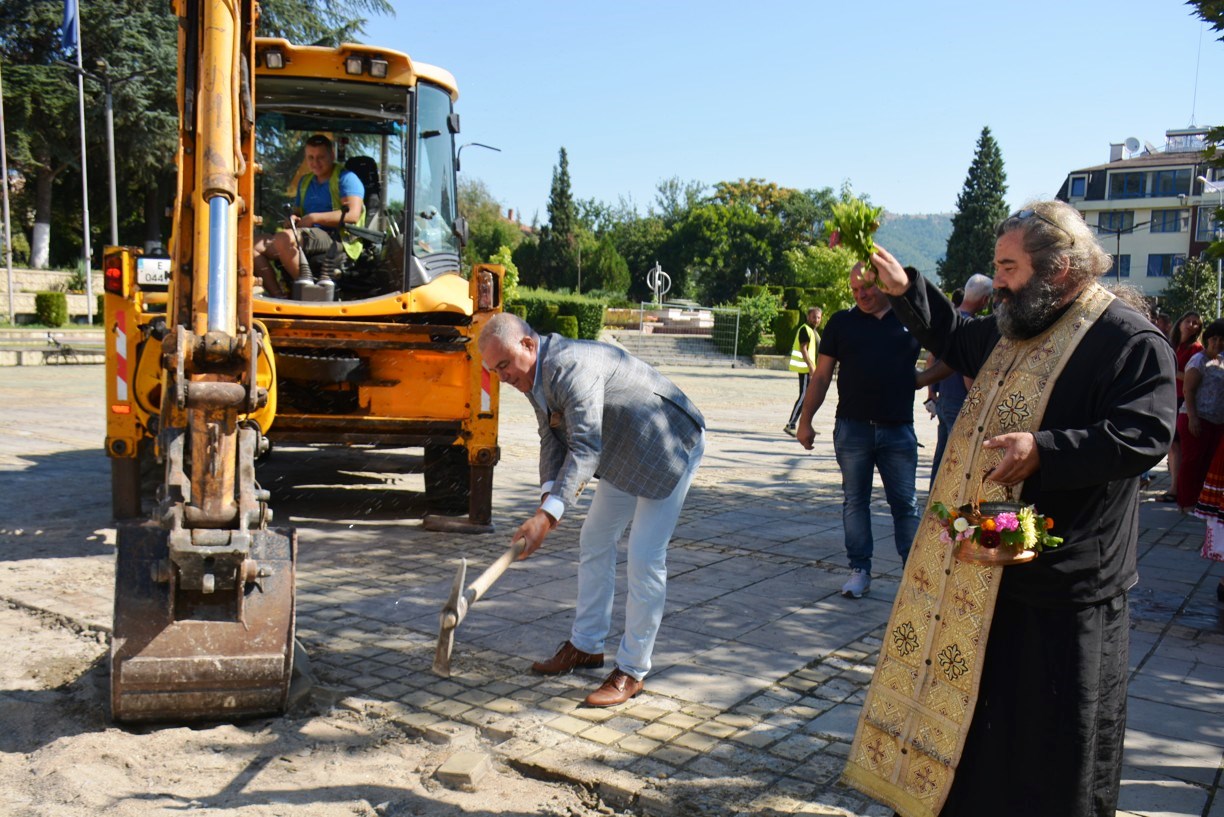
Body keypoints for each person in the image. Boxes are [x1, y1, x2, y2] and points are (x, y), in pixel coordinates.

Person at [842, 201, 1176, 817]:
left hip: (1066, 571)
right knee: (985, 711)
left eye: (1009, 267)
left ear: (1062, 267)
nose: (997, 281)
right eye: (997, 266)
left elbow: (1144, 436)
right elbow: (955, 338)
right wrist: (906, 289)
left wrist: (1044, 451)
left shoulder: (1127, 338)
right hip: (993, 548)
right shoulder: (1019, 323)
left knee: (1048, 729)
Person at [477, 313, 705, 707]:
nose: (502, 377)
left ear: (528, 345)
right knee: (595, 538)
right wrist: (545, 501)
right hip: (622, 451)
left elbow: (584, 447)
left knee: (644, 557)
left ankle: (633, 670)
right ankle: (586, 646)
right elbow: (552, 437)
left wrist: (547, 518)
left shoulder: (570, 366)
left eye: (504, 365)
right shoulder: (532, 375)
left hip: (666, 446)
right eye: (493, 370)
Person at [795, 264, 939, 599]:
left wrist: (919, 381)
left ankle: (914, 574)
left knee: (904, 504)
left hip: (898, 430)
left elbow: (952, 354)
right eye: (854, 290)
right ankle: (859, 570)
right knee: (854, 501)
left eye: (867, 288)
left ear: (884, 286)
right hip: (852, 429)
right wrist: (806, 420)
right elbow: (821, 376)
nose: (861, 295)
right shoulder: (841, 323)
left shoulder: (910, 319)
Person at [254, 134, 365, 297]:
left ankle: (310, 294)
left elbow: (352, 215)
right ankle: (279, 296)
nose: (315, 162)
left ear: (332, 156)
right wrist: (292, 219)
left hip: (336, 237)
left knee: (284, 238)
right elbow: (298, 213)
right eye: (310, 157)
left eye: (321, 157)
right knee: (254, 245)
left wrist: (314, 218)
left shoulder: (346, 179)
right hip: (308, 234)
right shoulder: (305, 181)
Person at [925, 273, 992, 488]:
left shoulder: (949, 322)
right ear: (985, 300)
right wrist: (978, 401)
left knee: (941, 453)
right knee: (958, 455)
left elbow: (931, 359)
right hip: (960, 401)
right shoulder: (970, 327)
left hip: (943, 398)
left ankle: (933, 499)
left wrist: (931, 392)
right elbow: (966, 371)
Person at [1175, 319, 1224, 511]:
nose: (1218, 343)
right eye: (1214, 339)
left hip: (1216, 422)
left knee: (1209, 464)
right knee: (1193, 463)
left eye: (1222, 339)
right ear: (1208, 339)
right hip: (1195, 419)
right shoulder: (1198, 360)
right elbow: (1189, 391)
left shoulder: (1221, 361)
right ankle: (1186, 502)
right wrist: (1193, 419)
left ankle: (1203, 502)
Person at [1160, 311, 1204, 502]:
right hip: (1168, 396)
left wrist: (1171, 371)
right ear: (1180, 323)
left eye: (1196, 323)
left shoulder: (1196, 349)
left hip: (1182, 400)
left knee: (1178, 446)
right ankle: (1175, 486)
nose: (1192, 325)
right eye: (1189, 321)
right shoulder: (1172, 345)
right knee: (1172, 446)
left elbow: (1192, 379)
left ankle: (1176, 489)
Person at [784, 306, 823, 436]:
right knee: (804, 396)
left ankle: (806, 426)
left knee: (810, 399)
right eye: (814, 317)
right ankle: (791, 424)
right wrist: (811, 367)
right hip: (806, 369)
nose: (816, 319)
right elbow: (803, 349)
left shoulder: (814, 332)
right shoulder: (805, 330)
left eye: (818, 317)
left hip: (811, 370)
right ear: (808, 317)